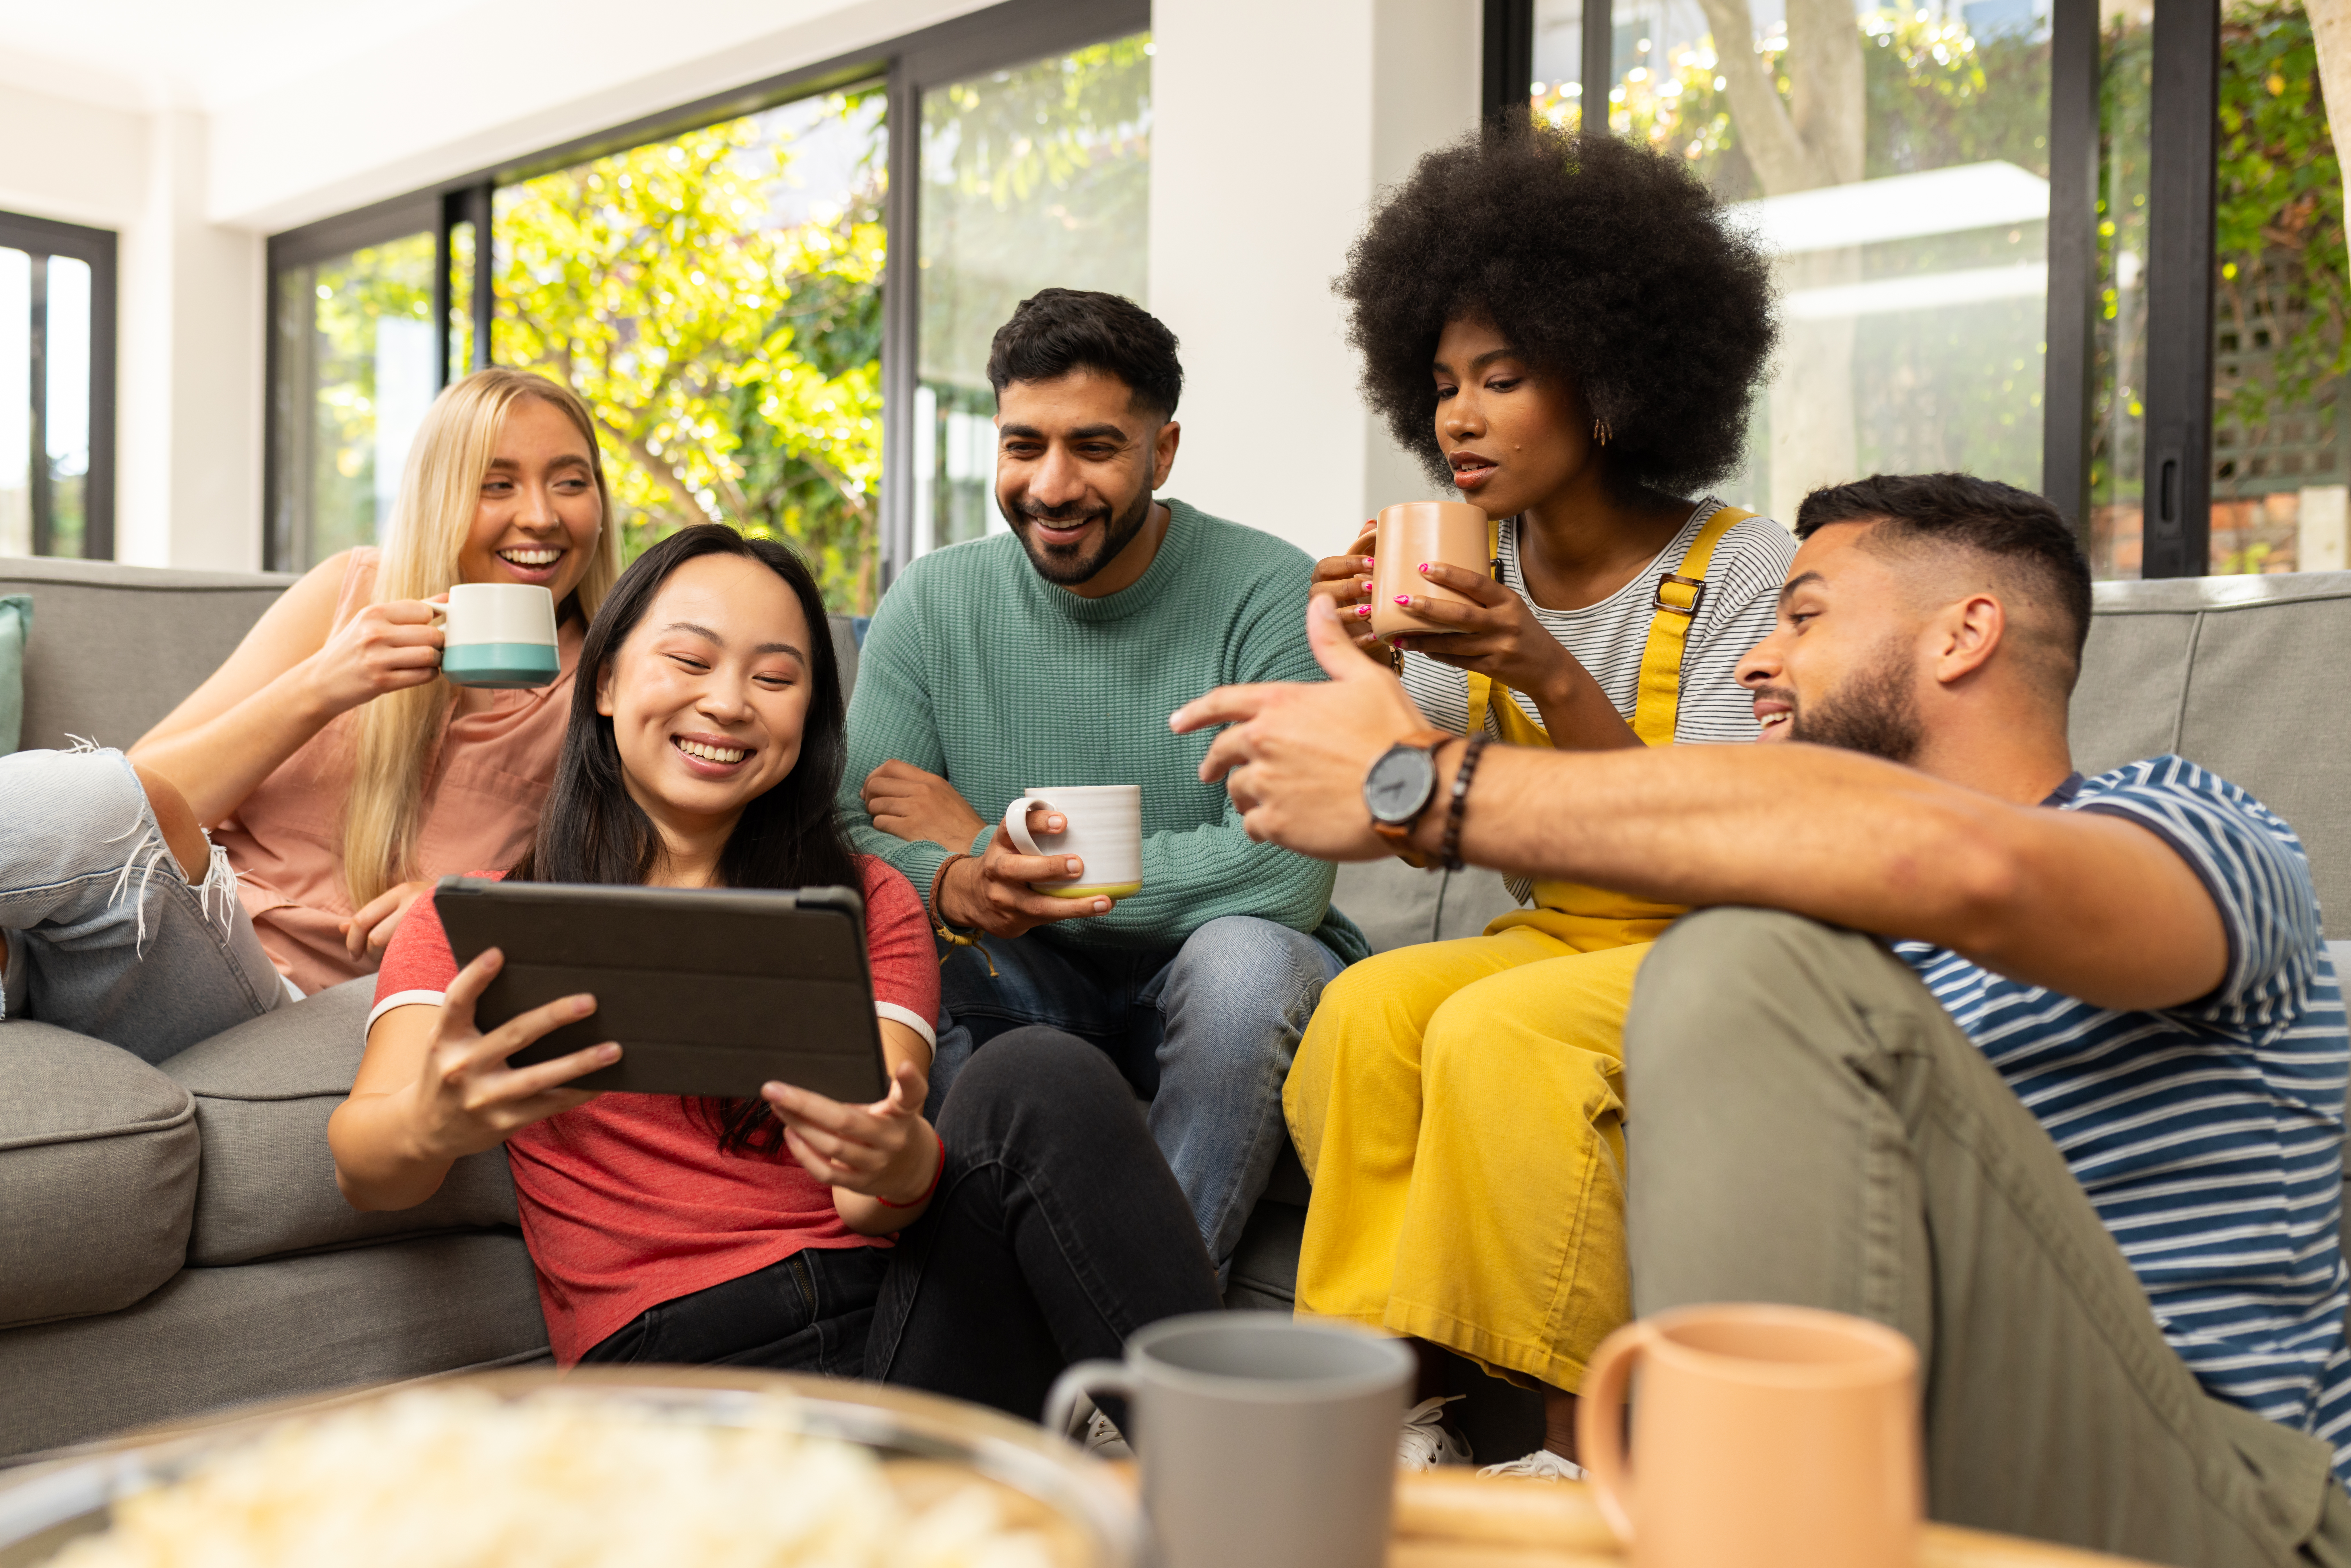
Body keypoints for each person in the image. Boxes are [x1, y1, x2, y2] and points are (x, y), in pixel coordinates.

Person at [1173, 473, 2351, 1565]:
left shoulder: (2195, 825)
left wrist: (1431, 783)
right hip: (1894, 1496)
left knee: (1731, 959)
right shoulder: (1825, 963)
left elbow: (1979, 871)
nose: (1752, 661)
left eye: (1803, 617)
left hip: (2215, 1506)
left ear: (1963, 634)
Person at [331, 525, 1218, 1417]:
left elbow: (869, 1201)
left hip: (895, 1344)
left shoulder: (866, 903)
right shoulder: (477, 920)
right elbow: (368, 1171)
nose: (728, 704)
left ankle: (1234, 1475)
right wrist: (431, 1121)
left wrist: (903, 1161)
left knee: (1040, 1074)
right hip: (674, 1375)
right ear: (605, 683)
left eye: (775, 678)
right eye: (690, 661)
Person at [1288, 123, 1787, 1474]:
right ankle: (1396, 1414)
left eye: (1500, 379)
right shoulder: (1470, 575)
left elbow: (1719, 840)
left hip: (1713, 938)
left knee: (1499, 1035)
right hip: (1559, 929)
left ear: (1610, 384)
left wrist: (1542, 666)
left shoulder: (1745, 569)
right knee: (1364, 1012)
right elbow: (1411, 805)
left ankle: (1577, 1448)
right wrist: (1360, 664)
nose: (1457, 417)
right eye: (1443, 385)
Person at [843, 288, 1365, 1282]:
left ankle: (1143, 1329)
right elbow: (849, 828)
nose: (1051, 486)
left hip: (1213, 983)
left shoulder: (1269, 592)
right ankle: (965, 1306)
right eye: (1023, 445)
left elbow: (1288, 868)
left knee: (1248, 964)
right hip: (1022, 978)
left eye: (1093, 447)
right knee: (913, 961)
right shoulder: (933, 600)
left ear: (1161, 453)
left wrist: (994, 844)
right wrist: (957, 878)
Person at [0, 368, 619, 1064]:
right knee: (105, 802)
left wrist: (479, 903)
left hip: (272, 996)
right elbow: (137, 809)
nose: (541, 515)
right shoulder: (351, 592)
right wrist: (323, 684)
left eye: (571, 482)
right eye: (498, 484)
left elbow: (636, 893)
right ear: (438, 496)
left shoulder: (612, 687)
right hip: (118, 937)